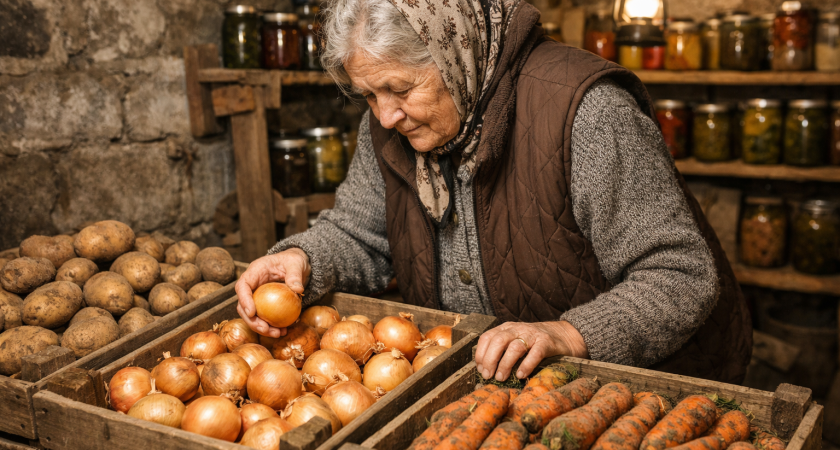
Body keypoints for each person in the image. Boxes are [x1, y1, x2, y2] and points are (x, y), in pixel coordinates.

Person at [236, 0, 752, 383]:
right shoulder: (391, 127)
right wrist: (306, 257)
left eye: (400, 89)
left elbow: (681, 277)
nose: (385, 115)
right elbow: (361, 232)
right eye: (368, 94)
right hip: (492, 393)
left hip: (635, 392)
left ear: (455, 53)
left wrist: (567, 336)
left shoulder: (586, 113)